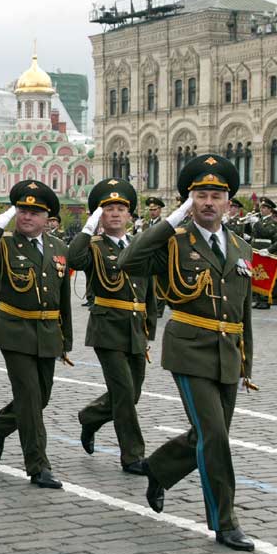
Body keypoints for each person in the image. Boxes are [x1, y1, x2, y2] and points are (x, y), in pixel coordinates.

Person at [118, 153, 257, 551]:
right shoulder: (175, 241)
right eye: (200, 195)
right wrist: (169, 222)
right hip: (189, 350)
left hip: (227, 352)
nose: (209, 202)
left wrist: (246, 361)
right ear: (189, 201)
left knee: (208, 433)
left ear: (229, 201)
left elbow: (243, 311)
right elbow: (130, 262)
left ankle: (159, 469)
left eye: (216, 195)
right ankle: (225, 522)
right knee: (215, 436)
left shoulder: (242, 248)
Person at [0, 180, 72, 489]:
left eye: (34, 212)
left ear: (47, 218)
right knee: (28, 397)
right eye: (22, 210)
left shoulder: (59, 247)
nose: (27, 217)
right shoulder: (3, 243)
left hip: (48, 332)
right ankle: (38, 465)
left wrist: (65, 340)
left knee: (41, 398)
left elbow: (63, 298)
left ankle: (0, 425)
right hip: (14, 330)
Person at [68, 178, 156, 475]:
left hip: (135, 328)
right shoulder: (93, 247)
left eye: (121, 208)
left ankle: (90, 417)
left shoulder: (139, 246)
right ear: (100, 216)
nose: (115, 214)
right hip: (107, 328)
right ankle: (132, 456)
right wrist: (88, 227)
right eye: (108, 209)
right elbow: (74, 259)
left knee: (132, 394)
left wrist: (149, 330)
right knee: (123, 393)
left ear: (130, 215)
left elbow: (150, 291)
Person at [249, 198, 277, 308]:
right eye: (261, 207)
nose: (261, 209)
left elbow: (266, 233)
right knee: (257, 275)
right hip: (257, 250)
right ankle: (258, 299)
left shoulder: (272, 222)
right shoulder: (261, 221)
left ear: (270, 210)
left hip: (265, 250)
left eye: (264, 208)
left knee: (264, 275)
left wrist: (256, 223)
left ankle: (265, 300)